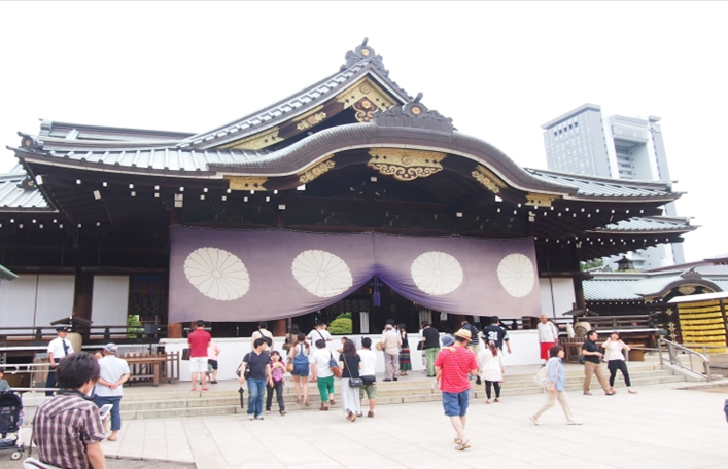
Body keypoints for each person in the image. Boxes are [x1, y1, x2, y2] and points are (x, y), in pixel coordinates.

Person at [32, 353, 107, 469]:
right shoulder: (87, 408)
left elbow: (38, 441)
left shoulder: (43, 407)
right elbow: (93, 452)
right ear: (88, 380)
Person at [435, 329, 479, 451]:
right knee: (462, 413)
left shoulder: (444, 353)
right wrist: (465, 369)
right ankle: (459, 436)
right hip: (464, 386)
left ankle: (464, 439)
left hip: (449, 387)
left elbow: (437, 368)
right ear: (465, 341)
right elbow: (475, 371)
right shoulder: (470, 354)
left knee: (453, 413)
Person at [529, 345, 582, 426]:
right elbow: (552, 373)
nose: (563, 353)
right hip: (555, 385)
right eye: (561, 351)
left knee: (565, 401)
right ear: (557, 353)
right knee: (550, 402)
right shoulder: (554, 361)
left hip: (558, 386)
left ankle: (570, 419)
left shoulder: (556, 360)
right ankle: (535, 415)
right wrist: (552, 385)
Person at [93, 343, 130, 442]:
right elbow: (126, 375)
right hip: (116, 391)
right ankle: (114, 434)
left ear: (105, 351)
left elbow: (95, 377)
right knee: (115, 413)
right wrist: (118, 383)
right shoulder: (122, 362)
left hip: (102, 391)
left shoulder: (99, 363)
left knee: (101, 413)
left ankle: (99, 432)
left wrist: (106, 384)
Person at [241, 337, 272, 420]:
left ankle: (259, 413)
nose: (266, 346)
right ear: (259, 345)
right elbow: (243, 365)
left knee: (260, 396)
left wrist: (270, 378)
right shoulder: (249, 355)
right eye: (264, 344)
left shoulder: (266, 355)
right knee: (253, 395)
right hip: (252, 378)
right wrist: (242, 376)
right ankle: (250, 412)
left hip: (262, 378)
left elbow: (268, 367)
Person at [582, 330, 615, 396]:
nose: (596, 336)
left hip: (597, 362)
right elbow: (584, 352)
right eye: (595, 335)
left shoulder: (594, 343)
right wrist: (594, 353)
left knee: (602, 376)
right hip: (589, 362)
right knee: (588, 377)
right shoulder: (587, 343)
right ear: (590, 336)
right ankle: (586, 390)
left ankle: (607, 390)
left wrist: (599, 354)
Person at [45, 325, 75, 396]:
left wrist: (71, 361)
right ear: (58, 333)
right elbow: (51, 352)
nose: (65, 333)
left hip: (66, 360)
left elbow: (71, 352)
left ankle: (62, 391)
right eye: (63, 332)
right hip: (57, 360)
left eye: (66, 332)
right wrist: (52, 361)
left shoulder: (68, 342)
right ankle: (49, 392)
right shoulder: (54, 342)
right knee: (53, 377)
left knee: (65, 376)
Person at [338, 338, 361, 422]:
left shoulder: (342, 355)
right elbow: (360, 366)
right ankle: (352, 412)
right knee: (354, 395)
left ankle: (352, 412)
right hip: (355, 378)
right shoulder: (357, 355)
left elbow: (342, 367)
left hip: (346, 377)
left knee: (347, 396)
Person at [310, 339, 336, 410]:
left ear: (316, 346)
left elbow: (312, 364)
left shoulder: (315, 354)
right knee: (331, 386)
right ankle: (332, 397)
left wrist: (314, 375)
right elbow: (335, 361)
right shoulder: (330, 352)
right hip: (330, 373)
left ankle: (325, 405)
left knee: (323, 389)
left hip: (321, 374)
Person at [187, 320, 211, 392]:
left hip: (194, 355)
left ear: (196, 326)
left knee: (194, 371)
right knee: (203, 371)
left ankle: (194, 387)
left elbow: (189, 345)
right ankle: (203, 387)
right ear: (204, 326)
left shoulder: (191, 335)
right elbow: (208, 345)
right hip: (204, 354)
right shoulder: (207, 334)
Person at [288, 332, 311, 406]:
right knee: (305, 382)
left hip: (296, 365)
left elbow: (290, 356)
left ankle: (299, 396)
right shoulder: (307, 346)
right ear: (304, 338)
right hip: (305, 364)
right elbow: (308, 354)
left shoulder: (294, 346)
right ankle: (306, 397)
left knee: (297, 382)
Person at [358, 336, 377, 418]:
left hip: (361, 375)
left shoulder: (358, 353)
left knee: (359, 395)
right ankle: (371, 411)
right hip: (371, 375)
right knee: (372, 395)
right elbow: (374, 365)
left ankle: (358, 411)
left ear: (362, 344)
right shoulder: (373, 354)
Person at [265, 351, 287, 416]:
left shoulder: (281, 363)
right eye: (273, 355)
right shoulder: (269, 363)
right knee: (270, 395)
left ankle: (282, 409)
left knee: (280, 395)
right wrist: (274, 367)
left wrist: (281, 366)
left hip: (279, 381)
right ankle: (268, 408)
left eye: (277, 355)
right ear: (271, 356)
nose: (275, 356)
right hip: (271, 381)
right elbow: (267, 372)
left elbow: (285, 371)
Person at [461, 320, 481, 384]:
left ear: (463, 323)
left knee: (471, 356)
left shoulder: (463, 328)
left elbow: (462, 336)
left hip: (469, 343)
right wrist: (478, 341)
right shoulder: (473, 326)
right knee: (476, 355)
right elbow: (478, 334)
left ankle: (472, 367)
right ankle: (477, 366)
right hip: (476, 342)